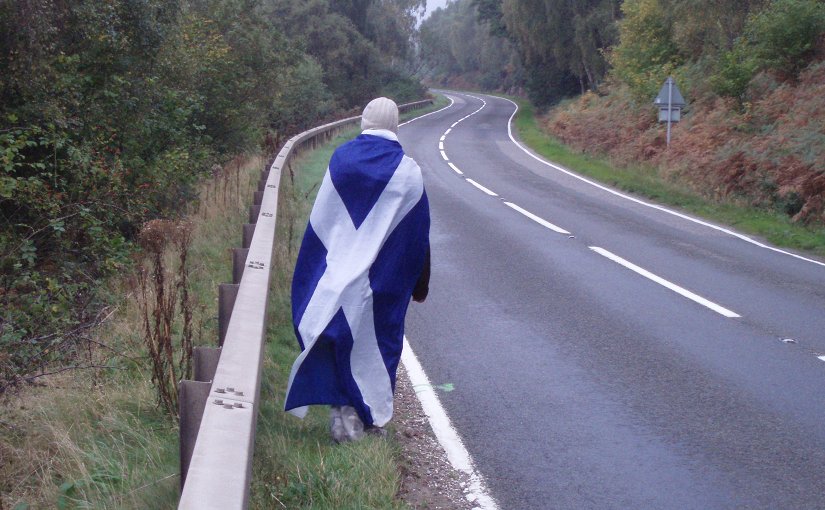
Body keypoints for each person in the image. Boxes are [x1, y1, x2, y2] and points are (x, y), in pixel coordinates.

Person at [284, 97, 430, 442]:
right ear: (394, 124)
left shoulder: (341, 160)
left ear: (364, 121)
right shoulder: (408, 172)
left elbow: (323, 222)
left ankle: (343, 421)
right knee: (375, 345)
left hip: (337, 273)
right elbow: (416, 238)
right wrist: (418, 283)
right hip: (381, 282)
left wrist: (318, 271)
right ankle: (363, 420)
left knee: (338, 341)